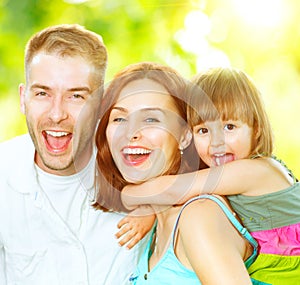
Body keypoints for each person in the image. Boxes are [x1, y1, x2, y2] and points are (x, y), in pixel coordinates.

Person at [121, 67, 300, 284]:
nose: (216, 142)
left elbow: (174, 190)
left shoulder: (256, 171)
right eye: (203, 131)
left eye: (229, 126)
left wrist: (130, 193)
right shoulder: (221, 179)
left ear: (257, 129)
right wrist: (150, 211)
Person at [0, 24, 148, 285]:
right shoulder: (5, 173)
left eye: (76, 96)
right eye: (43, 93)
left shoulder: (136, 166)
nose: (57, 114)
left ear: (102, 104)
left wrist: (155, 204)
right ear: (24, 98)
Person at [93, 62, 261, 284]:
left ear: (185, 136)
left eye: (151, 119)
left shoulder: (199, 216)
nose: (131, 132)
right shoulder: (154, 228)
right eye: (119, 118)